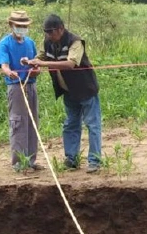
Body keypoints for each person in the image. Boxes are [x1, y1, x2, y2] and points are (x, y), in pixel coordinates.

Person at [26, 13, 103, 173]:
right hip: (68, 91)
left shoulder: (75, 41)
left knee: (92, 124)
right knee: (70, 125)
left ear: (60, 29)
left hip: (85, 89)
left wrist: (43, 63)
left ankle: (94, 161)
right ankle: (71, 159)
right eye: (46, 32)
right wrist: (31, 63)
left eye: (51, 31)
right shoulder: (48, 42)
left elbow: (70, 64)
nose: (48, 35)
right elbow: (39, 58)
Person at [0, 10, 41, 171]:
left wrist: (36, 70)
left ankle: (31, 161)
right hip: (16, 87)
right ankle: (19, 162)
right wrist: (9, 72)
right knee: (18, 122)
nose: (21, 29)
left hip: (31, 85)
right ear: (11, 25)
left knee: (32, 121)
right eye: (18, 26)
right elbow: (4, 65)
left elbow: (37, 65)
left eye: (24, 26)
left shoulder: (30, 43)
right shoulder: (5, 43)